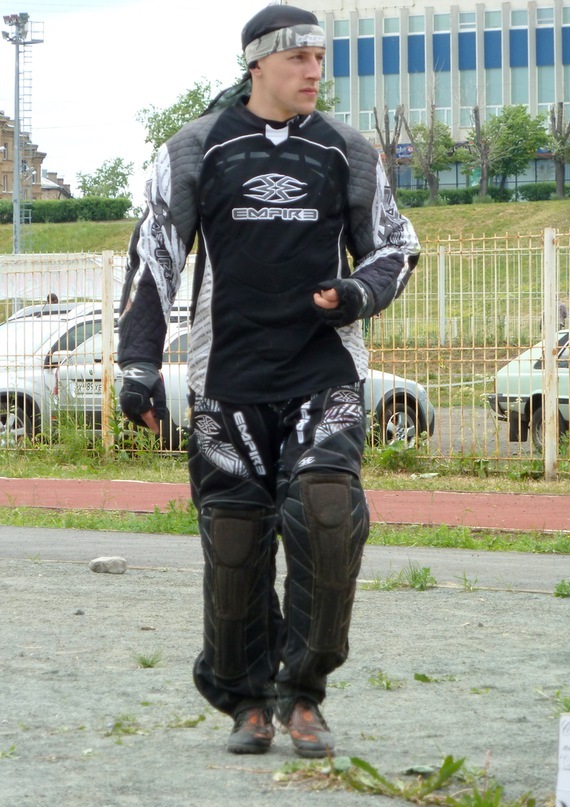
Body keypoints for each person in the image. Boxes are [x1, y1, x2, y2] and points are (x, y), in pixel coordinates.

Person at [116, 4, 421, 759]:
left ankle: (303, 691)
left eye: (320, 58)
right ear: (257, 64)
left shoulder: (348, 151)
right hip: (226, 376)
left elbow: (395, 247)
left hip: (325, 373)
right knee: (234, 543)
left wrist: (358, 292)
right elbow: (154, 256)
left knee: (327, 514)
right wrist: (138, 366)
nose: (314, 71)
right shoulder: (195, 148)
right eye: (298, 59)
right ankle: (245, 698)